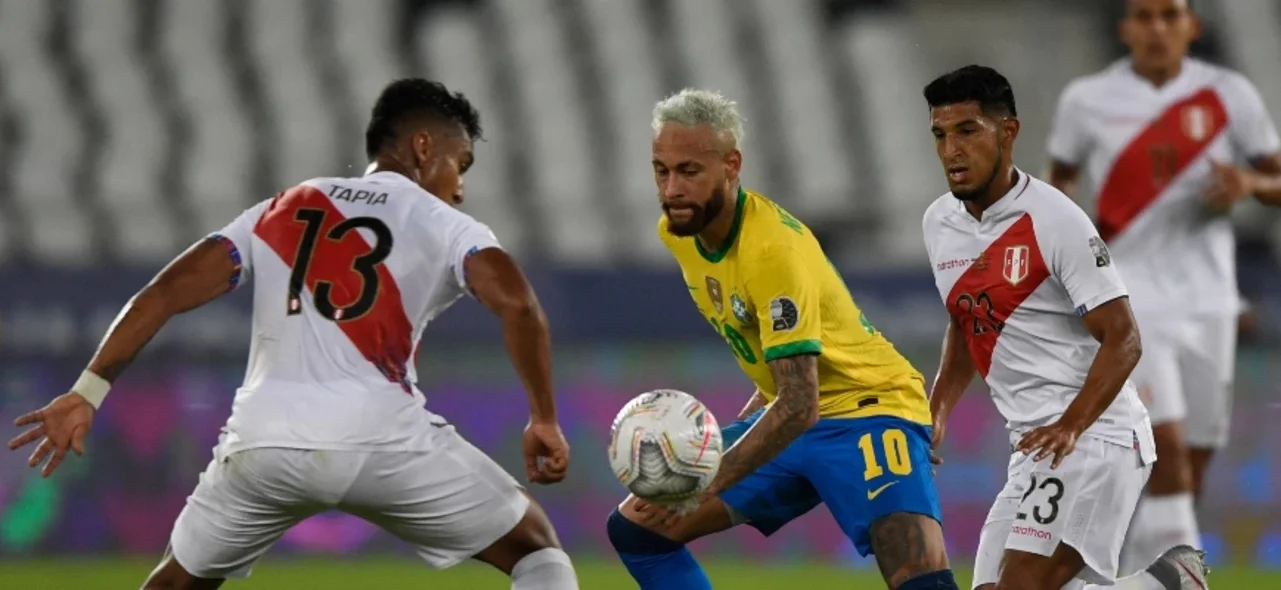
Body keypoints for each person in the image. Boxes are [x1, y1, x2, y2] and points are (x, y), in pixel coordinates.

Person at [7, 79, 578, 590]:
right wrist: (544, 418)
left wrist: (87, 392)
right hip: (381, 441)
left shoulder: (282, 208)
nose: (459, 188)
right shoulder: (449, 225)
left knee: (174, 584)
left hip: (263, 444)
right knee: (538, 553)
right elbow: (520, 307)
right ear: (425, 147)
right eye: (462, 164)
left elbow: (163, 293)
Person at [604, 88, 958, 590]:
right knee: (637, 531)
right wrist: (727, 444)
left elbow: (799, 403)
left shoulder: (771, 250)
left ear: (731, 166)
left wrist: (706, 479)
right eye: (661, 170)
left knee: (916, 574)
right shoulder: (678, 233)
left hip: (871, 409)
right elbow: (783, 384)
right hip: (792, 412)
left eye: (689, 171)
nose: (672, 189)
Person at [922, 65, 1210, 590]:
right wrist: (937, 408)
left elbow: (1125, 338)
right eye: (940, 135)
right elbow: (965, 320)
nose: (951, 151)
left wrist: (1071, 426)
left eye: (968, 131)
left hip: (1096, 438)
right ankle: (1164, 584)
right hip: (1033, 447)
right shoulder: (939, 223)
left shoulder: (1055, 221)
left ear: (1007, 132)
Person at [1045, 0, 1281, 572]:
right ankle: (1182, 582)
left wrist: (1247, 182)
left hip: (1210, 302)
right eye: (1144, 16)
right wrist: (1075, 269)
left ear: (1192, 26)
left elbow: (1276, 179)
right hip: (1132, 299)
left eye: (1169, 15)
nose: (1156, 28)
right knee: (1165, 452)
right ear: (1125, 28)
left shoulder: (1229, 95)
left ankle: (1130, 569)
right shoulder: (1086, 100)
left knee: (1192, 464)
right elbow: (1058, 191)